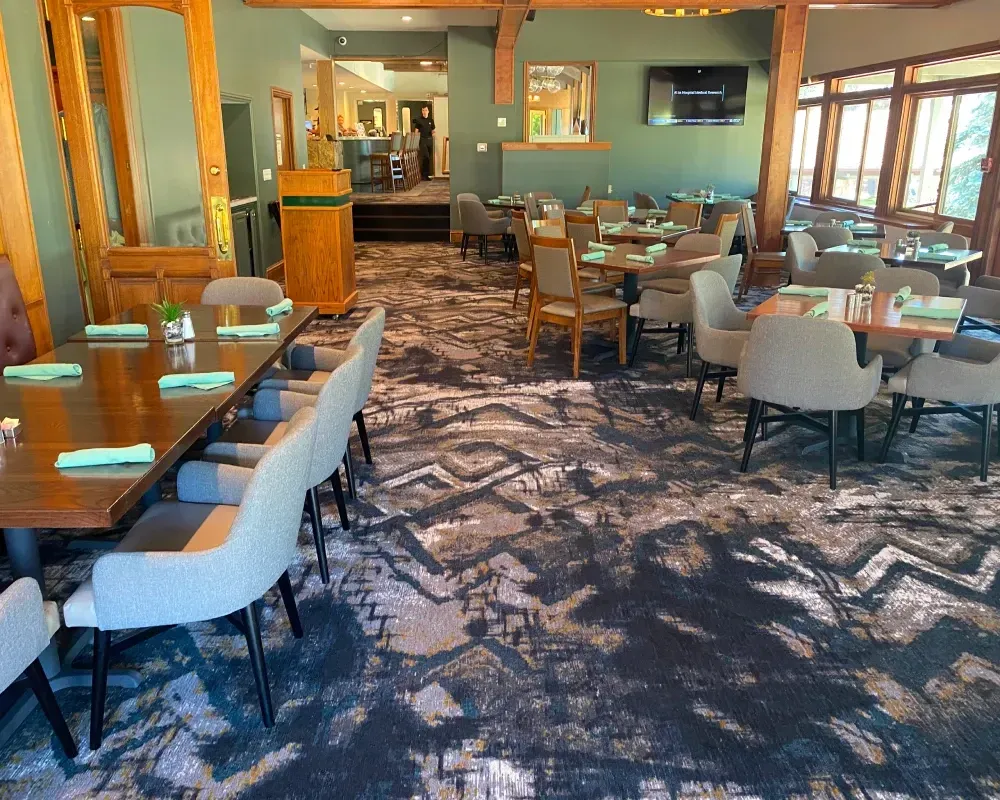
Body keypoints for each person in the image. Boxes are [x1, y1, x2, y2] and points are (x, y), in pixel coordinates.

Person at [412, 105, 435, 181]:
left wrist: (434, 135)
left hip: (429, 140)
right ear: (422, 111)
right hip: (422, 140)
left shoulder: (430, 120)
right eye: (423, 110)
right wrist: (415, 141)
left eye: (425, 110)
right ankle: (423, 175)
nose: (424, 112)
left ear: (428, 111)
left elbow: (433, 130)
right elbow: (416, 132)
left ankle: (427, 174)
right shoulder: (419, 120)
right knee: (426, 156)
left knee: (429, 158)